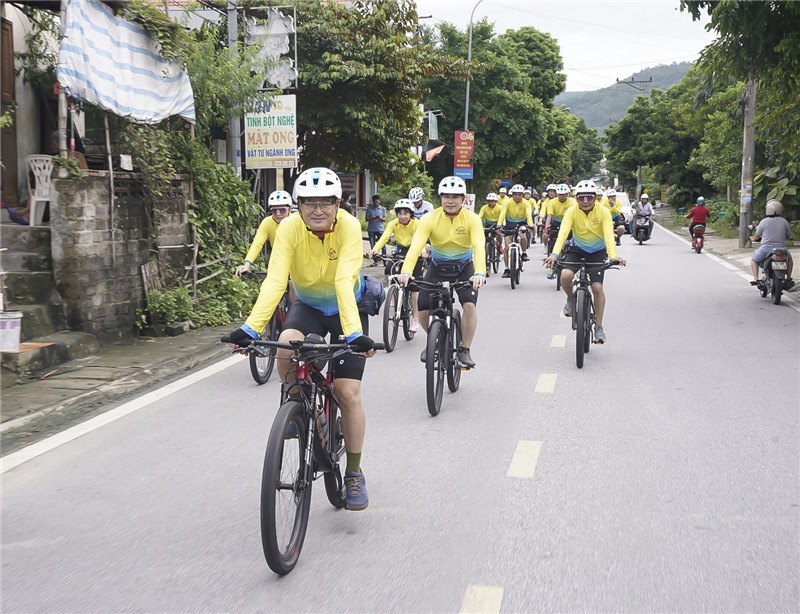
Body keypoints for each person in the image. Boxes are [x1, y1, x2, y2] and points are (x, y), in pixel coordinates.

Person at [226, 167, 377, 511]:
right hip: (307, 305)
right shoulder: (289, 228)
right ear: (299, 205)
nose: (318, 210)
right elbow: (276, 280)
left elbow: (343, 281)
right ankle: (299, 403)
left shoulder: (349, 227)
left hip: (346, 309)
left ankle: (354, 473)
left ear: (338, 204)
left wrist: (355, 335)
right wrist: (250, 329)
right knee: (286, 346)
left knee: (347, 392)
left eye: (326, 202)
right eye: (309, 202)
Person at [397, 176, 486, 368]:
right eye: (446, 196)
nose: (450, 201)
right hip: (437, 267)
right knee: (422, 308)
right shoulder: (429, 219)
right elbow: (415, 246)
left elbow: (479, 246)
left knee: (469, 305)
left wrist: (479, 272)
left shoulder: (472, 219)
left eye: (455, 197)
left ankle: (464, 350)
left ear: (463, 199)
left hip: (464, 267)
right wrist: (406, 272)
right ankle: (434, 340)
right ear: (440, 198)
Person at [544, 179, 626, 344]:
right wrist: (554, 254)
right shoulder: (571, 211)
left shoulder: (603, 211)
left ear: (595, 197)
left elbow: (609, 235)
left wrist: (613, 256)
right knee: (565, 275)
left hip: (597, 252)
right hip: (577, 249)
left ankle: (599, 327)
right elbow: (563, 233)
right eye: (581, 197)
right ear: (577, 198)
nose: (586, 201)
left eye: (589, 197)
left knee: (597, 287)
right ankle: (570, 299)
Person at [366, 198, 424, 332]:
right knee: (389, 268)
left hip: (416, 251)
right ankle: (394, 293)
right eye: (400, 213)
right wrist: (374, 250)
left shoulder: (417, 223)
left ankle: (415, 318)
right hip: (400, 251)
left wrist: (422, 251)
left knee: (414, 288)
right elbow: (385, 237)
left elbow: (420, 239)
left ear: (411, 214)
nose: (402, 216)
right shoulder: (393, 223)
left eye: (406, 213)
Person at [9, 131, 88, 225]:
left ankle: (24, 212)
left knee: (38, 191)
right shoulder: (56, 158)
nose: (52, 146)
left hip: (70, 186)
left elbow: (84, 172)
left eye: (54, 144)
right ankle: (27, 216)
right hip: (56, 185)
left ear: (60, 143)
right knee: (34, 191)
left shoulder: (77, 155)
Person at [235, 190, 291, 276]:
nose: (278, 214)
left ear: (290, 209)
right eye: (274, 211)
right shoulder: (267, 222)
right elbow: (257, 243)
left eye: (282, 210)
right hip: (278, 260)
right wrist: (247, 264)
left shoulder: (297, 221)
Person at [750, 199, 795, 289]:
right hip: (781, 248)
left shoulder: (764, 222)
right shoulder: (784, 221)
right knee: (789, 260)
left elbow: (757, 236)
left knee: (754, 260)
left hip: (766, 248)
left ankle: (756, 278)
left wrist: (752, 238)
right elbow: (788, 235)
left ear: (768, 209)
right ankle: (788, 278)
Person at [498, 183, 534, 276]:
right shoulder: (507, 202)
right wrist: (499, 224)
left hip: (521, 223)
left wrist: (530, 225)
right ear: (512, 194)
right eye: (515, 194)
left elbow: (528, 214)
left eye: (519, 194)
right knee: (506, 248)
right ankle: (506, 269)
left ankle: (524, 253)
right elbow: (502, 213)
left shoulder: (526, 203)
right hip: (509, 224)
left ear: (522, 195)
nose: (517, 196)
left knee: (523, 235)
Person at [543, 184, 577, 278]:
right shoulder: (552, 202)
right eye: (560, 194)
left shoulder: (573, 202)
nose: (562, 196)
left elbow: (576, 216)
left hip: (570, 224)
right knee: (552, 244)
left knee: (572, 246)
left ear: (567, 194)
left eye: (564, 194)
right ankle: (552, 268)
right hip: (556, 224)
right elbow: (549, 215)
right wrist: (546, 228)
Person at [365, 194, 386, 263]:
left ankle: (385, 260)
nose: (376, 203)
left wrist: (380, 218)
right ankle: (375, 261)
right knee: (373, 246)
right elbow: (366, 219)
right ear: (373, 202)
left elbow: (385, 219)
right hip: (371, 229)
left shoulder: (383, 209)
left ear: (379, 201)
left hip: (380, 229)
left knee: (382, 245)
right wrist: (372, 218)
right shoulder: (369, 209)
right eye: (375, 202)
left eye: (377, 202)